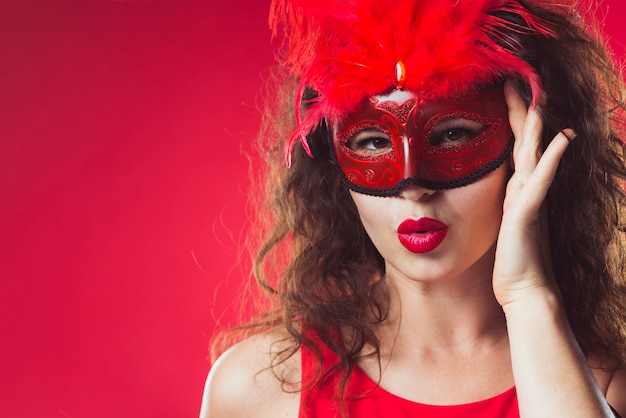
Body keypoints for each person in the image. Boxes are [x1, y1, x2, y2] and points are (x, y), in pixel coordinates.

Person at [200, 0, 626, 416]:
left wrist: (529, 295)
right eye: (372, 142)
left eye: (454, 134)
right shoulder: (257, 392)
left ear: (527, 144)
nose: (413, 185)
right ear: (331, 157)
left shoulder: (603, 387)